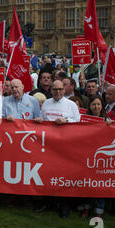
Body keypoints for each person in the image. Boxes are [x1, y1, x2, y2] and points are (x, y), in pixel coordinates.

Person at [37, 80, 80, 218]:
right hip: (48, 145)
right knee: (47, 174)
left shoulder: (71, 105)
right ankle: (47, 203)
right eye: (55, 89)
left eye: (60, 89)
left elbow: (78, 122)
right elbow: (42, 121)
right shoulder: (46, 104)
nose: (57, 92)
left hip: (64, 147)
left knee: (63, 176)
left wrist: (66, 121)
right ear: (51, 90)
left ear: (64, 89)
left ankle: (64, 206)